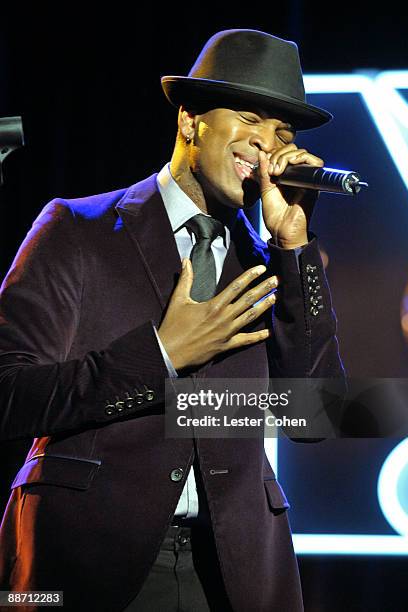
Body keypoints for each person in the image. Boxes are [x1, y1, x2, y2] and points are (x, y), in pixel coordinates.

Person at [0, 29, 344, 611]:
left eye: (281, 135)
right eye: (249, 119)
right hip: (90, 559)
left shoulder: (268, 264)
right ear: (190, 121)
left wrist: (294, 245)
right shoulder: (76, 229)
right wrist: (159, 356)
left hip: (234, 571)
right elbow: (8, 393)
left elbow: (316, 416)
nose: (265, 145)